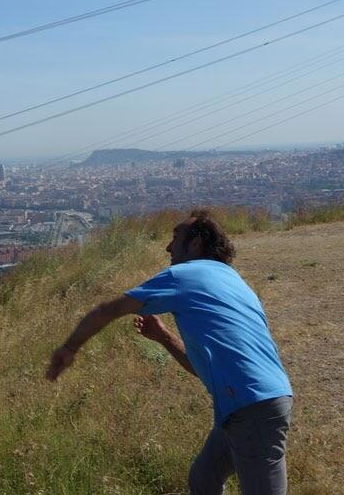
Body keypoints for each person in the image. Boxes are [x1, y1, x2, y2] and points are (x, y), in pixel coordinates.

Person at [45, 210, 293, 495]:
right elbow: (203, 369)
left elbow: (109, 310)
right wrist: (164, 337)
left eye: (176, 237)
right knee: (204, 478)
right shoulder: (231, 279)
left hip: (252, 407)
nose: (168, 247)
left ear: (196, 243)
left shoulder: (183, 275)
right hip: (250, 402)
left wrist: (69, 347)